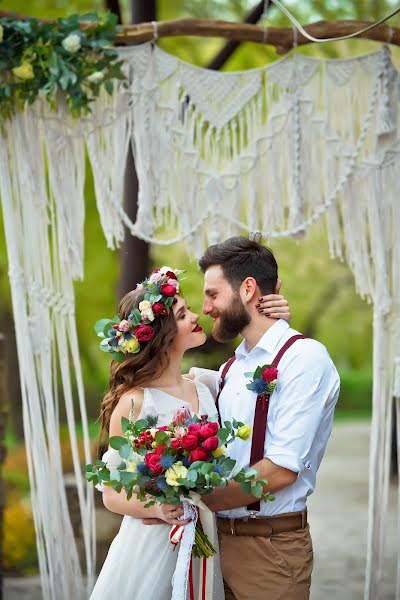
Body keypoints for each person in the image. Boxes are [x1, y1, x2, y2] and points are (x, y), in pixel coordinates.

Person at [90, 265, 291, 600]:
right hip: (151, 545)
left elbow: (264, 360)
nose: (196, 314)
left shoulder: (206, 384)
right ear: (164, 335)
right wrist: (157, 508)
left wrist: (272, 313)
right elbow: (112, 494)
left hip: (204, 537)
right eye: (183, 314)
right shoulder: (135, 403)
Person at [190, 235, 340, 600]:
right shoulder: (231, 368)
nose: (206, 307)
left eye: (212, 294)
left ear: (247, 289)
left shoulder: (304, 359)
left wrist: (193, 499)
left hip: (270, 550)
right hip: (215, 545)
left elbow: (281, 470)